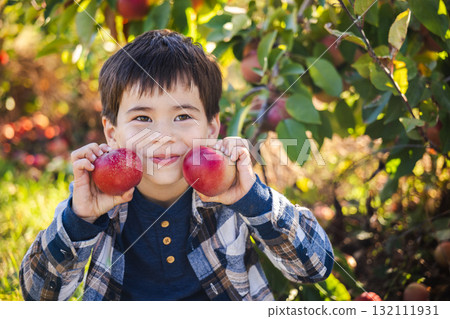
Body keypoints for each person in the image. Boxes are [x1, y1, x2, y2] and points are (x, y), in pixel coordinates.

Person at [19, 29, 334, 301]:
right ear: (112, 134)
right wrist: (79, 221)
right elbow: (38, 296)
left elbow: (315, 267)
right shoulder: (100, 202)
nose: (164, 136)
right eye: (143, 118)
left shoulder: (231, 195)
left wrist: (254, 200)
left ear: (211, 130)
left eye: (182, 117)